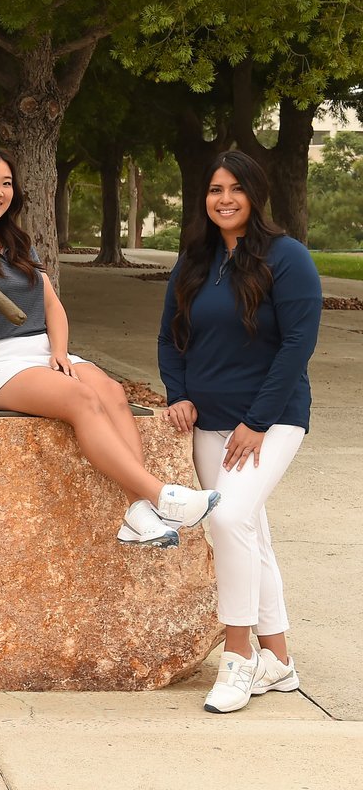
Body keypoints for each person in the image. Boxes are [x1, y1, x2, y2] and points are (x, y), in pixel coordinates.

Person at [0, 146, 221, 549]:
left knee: (111, 392)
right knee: (80, 398)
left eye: (6, 183)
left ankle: (137, 514)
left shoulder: (14, 239)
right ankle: (161, 496)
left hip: (40, 352)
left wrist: (60, 350)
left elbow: (51, 304)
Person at [158, 150, 320, 714]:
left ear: (255, 193)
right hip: (209, 419)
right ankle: (278, 660)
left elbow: (298, 346)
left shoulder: (288, 258)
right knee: (249, 532)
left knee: (226, 516)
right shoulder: (195, 261)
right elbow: (169, 335)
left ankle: (238, 657)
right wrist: (177, 393)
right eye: (213, 189)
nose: (223, 198)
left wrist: (256, 421)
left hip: (272, 420)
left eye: (235, 188)